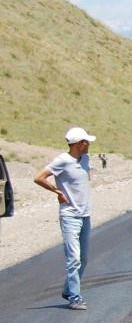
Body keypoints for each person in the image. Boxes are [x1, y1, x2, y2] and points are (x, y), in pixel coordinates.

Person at [33, 126, 95, 310]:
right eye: (86, 141)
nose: (89, 144)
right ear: (77, 144)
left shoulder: (86, 159)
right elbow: (39, 177)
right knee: (73, 258)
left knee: (83, 258)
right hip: (70, 216)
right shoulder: (63, 161)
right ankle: (75, 298)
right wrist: (57, 191)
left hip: (85, 215)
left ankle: (68, 289)